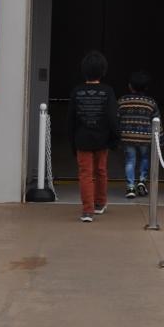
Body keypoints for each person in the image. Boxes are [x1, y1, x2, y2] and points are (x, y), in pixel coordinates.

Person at [67, 50, 119, 223]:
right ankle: (100, 203)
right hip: (102, 139)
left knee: (85, 174)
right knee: (101, 171)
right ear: (103, 71)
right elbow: (112, 117)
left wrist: (72, 142)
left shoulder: (77, 91)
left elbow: (71, 119)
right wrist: (115, 138)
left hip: (82, 139)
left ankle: (87, 211)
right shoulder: (108, 91)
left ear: (84, 70)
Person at [118, 71, 160, 199]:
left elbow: (116, 119)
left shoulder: (122, 101)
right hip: (145, 137)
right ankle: (142, 181)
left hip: (127, 137)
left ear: (130, 86)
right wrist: (160, 139)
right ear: (146, 88)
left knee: (130, 160)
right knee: (145, 158)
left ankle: (130, 187)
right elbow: (157, 122)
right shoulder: (151, 102)